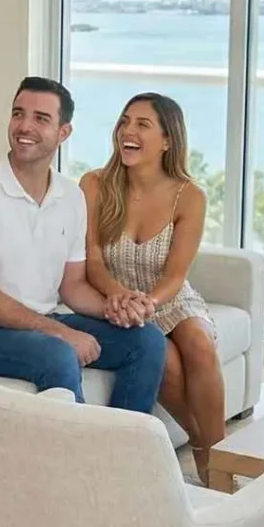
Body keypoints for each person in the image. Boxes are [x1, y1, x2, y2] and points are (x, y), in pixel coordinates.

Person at [0, 77, 167, 410]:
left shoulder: (70, 196)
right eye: (18, 114)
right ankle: (75, 444)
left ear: (63, 133)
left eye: (41, 118)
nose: (24, 126)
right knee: (58, 354)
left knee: (147, 340)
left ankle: (122, 441)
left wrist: (114, 308)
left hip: (40, 320)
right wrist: (59, 332)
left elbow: (72, 286)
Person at [80, 93, 224, 484]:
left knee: (199, 344)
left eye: (142, 124)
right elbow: (93, 260)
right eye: (125, 121)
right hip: (114, 298)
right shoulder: (94, 185)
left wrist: (148, 302)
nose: (128, 130)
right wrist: (118, 295)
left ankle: (222, 458)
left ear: (167, 140)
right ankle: (202, 446)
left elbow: (176, 276)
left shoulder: (189, 196)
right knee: (167, 360)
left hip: (167, 297)